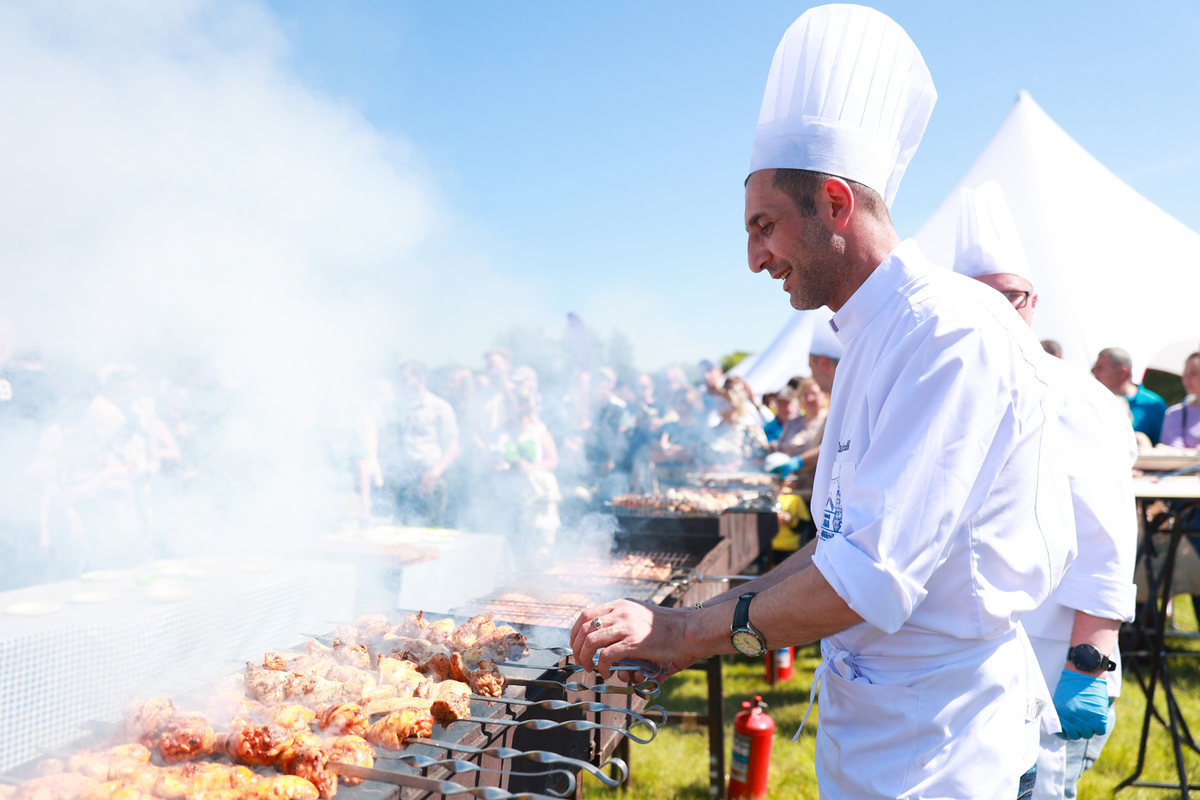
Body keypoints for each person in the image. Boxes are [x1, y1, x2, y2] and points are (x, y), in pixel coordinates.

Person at [571, 7, 1074, 799]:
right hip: (880, 739)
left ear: (836, 204)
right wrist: (720, 606)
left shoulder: (950, 332)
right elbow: (840, 544)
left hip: (945, 756)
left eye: (764, 226)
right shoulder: (871, 334)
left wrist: (685, 632)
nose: (752, 258)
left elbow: (867, 578)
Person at [953, 182, 1137, 800]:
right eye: (981, 299)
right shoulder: (955, 388)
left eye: (1012, 297)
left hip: (1055, 649)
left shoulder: (1074, 395)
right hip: (974, 658)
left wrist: (1089, 661)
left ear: (1034, 301)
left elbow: (1106, 535)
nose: (1000, 312)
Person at [377, 360, 460, 527]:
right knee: (402, 530)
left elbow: (454, 446)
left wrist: (435, 473)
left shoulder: (440, 407)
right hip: (404, 482)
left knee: (432, 530)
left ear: (421, 377)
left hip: (431, 480)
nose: (401, 384)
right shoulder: (397, 408)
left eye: (405, 379)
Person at [1091, 347, 1167, 445]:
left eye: (1100, 368)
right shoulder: (1093, 401)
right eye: (1094, 369)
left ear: (1123, 372)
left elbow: (1163, 447)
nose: (1094, 373)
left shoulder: (1153, 405)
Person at [1160, 352, 1200, 449]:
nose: (1186, 379)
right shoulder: (1175, 413)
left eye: (1193, 373)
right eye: (1184, 373)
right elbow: (1175, 450)